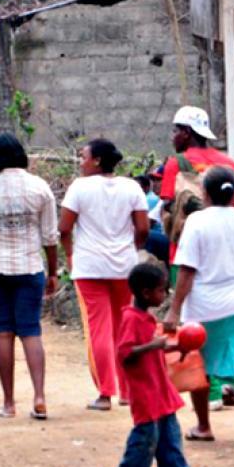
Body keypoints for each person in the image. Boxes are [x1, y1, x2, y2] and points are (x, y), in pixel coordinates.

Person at [164, 166, 234, 443]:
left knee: (199, 366)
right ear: (233, 194)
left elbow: (187, 271)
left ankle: (204, 426)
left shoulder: (196, 222)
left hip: (204, 305)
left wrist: (174, 309)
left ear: (205, 193)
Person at [0, 134, 59, 420]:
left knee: (4, 331)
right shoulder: (40, 188)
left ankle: (9, 403)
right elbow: (50, 237)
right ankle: (39, 397)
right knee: (30, 331)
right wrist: (52, 272)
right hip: (30, 267)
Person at [103, 263, 209, 467]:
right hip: (146, 394)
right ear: (146, 292)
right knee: (143, 444)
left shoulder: (146, 318)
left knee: (171, 442)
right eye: (162, 290)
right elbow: (125, 353)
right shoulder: (131, 319)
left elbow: (153, 347)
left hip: (160, 392)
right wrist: (154, 345)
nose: (165, 295)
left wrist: (177, 346)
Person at [60, 139, 149, 411]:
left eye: (84, 156)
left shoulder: (79, 188)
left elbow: (64, 228)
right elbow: (143, 228)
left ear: (97, 160)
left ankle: (105, 392)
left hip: (90, 266)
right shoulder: (132, 186)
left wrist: (71, 255)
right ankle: (127, 391)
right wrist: (131, 248)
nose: (81, 161)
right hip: (124, 266)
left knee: (98, 329)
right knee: (124, 327)